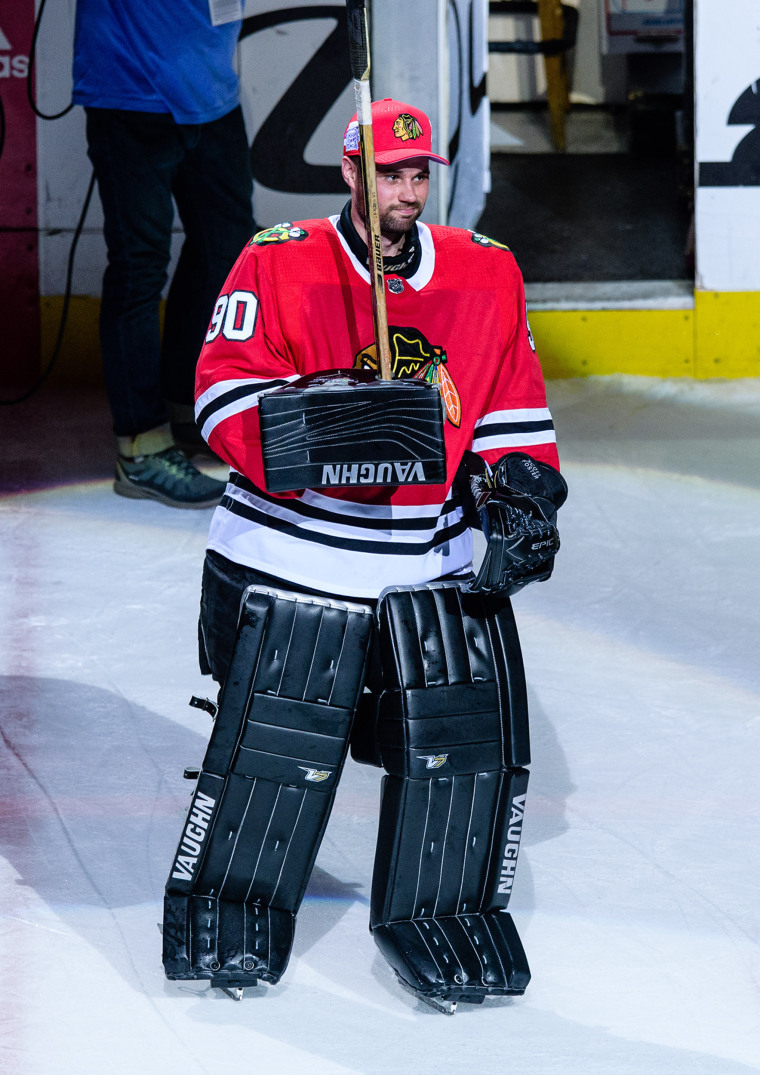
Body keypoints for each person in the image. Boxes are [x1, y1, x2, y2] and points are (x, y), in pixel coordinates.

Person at [162, 98, 567, 1012]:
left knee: (461, 747)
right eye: (390, 174)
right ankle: (235, 906)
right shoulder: (277, 258)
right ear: (350, 173)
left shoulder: (484, 271)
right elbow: (221, 396)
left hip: (427, 562)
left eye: (419, 175)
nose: (408, 193)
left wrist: (520, 504)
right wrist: (333, 420)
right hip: (292, 556)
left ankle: (442, 913)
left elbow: (509, 408)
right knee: (280, 746)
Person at [72, 0, 255, 508]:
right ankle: (139, 447)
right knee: (138, 266)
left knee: (225, 248)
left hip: (211, 90)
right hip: (130, 92)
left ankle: (182, 405)